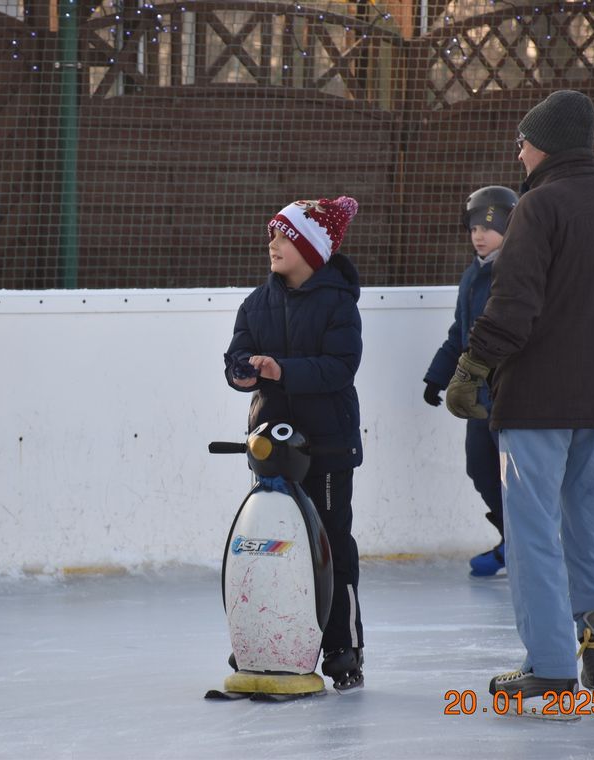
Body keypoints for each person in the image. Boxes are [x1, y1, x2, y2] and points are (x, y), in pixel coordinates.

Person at [445, 90, 594, 702]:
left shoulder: (537, 208)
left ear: (544, 144)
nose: (518, 153)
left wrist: (472, 366)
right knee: (589, 521)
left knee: (530, 534)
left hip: (534, 404)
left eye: (523, 141)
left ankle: (551, 663)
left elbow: (515, 304)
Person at [225, 196, 365, 690]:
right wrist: (243, 374)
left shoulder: (338, 304)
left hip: (326, 446)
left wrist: (283, 370)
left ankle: (341, 646)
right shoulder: (256, 303)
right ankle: (264, 634)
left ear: (309, 247)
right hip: (272, 448)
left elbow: (340, 367)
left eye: (283, 236)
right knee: (269, 544)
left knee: (330, 545)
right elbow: (236, 357)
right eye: (272, 235)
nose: (272, 244)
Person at [423, 185, 518, 577]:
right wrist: (437, 376)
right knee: (480, 468)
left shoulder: (514, 273)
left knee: (517, 476)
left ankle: (531, 546)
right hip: (475, 396)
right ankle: (512, 540)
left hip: (511, 396)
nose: (478, 235)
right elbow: (458, 334)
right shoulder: (471, 276)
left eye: (488, 227)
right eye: (473, 227)